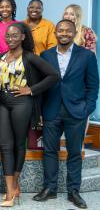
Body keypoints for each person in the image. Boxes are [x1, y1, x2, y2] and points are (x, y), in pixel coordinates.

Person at [34, 19, 99, 209]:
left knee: (74, 153)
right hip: (51, 110)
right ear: (55, 33)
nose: (64, 34)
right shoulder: (45, 55)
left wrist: (87, 108)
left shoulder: (86, 56)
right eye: (60, 30)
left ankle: (73, 191)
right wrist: (38, 112)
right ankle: (50, 188)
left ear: (74, 32)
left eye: (68, 31)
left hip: (76, 111)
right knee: (50, 151)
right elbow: (40, 87)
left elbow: (93, 85)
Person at [0, 23, 59, 207]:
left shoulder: (30, 57)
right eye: (8, 35)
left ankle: (15, 184)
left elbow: (53, 76)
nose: (10, 38)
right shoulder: (0, 56)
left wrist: (31, 89)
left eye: (15, 35)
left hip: (21, 102)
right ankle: (10, 190)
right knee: (5, 146)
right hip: (2, 103)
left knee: (17, 144)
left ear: (23, 37)